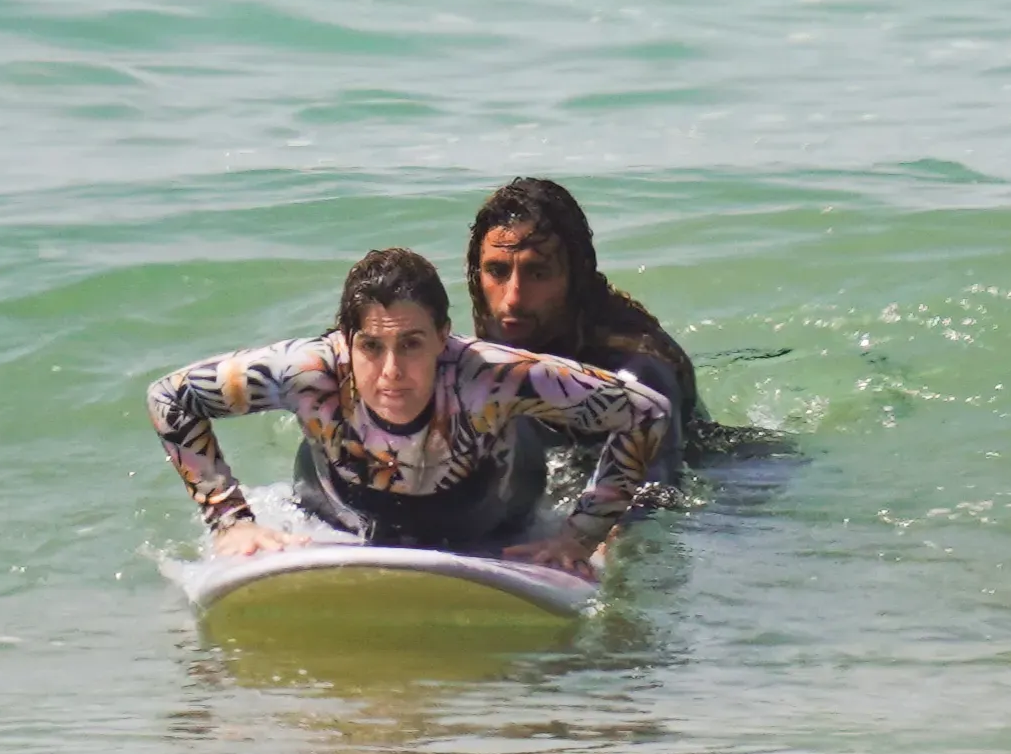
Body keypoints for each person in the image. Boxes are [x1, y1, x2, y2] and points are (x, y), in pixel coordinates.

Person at [147, 246, 671, 579]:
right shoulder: (306, 371)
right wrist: (230, 520)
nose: (391, 370)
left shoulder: (490, 376)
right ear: (345, 341)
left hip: (488, 506)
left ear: (444, 337)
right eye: (371, 347)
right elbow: (169, 397)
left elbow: (644, 411)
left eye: (412, 345)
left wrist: (580, 533)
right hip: (341, 500)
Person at [466, 178, 714, 480]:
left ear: (576, 277)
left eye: (539, 273)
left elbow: (648, 509)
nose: (513, 297)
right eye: (497, 271)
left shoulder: (636, 378)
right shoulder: (481, 355)